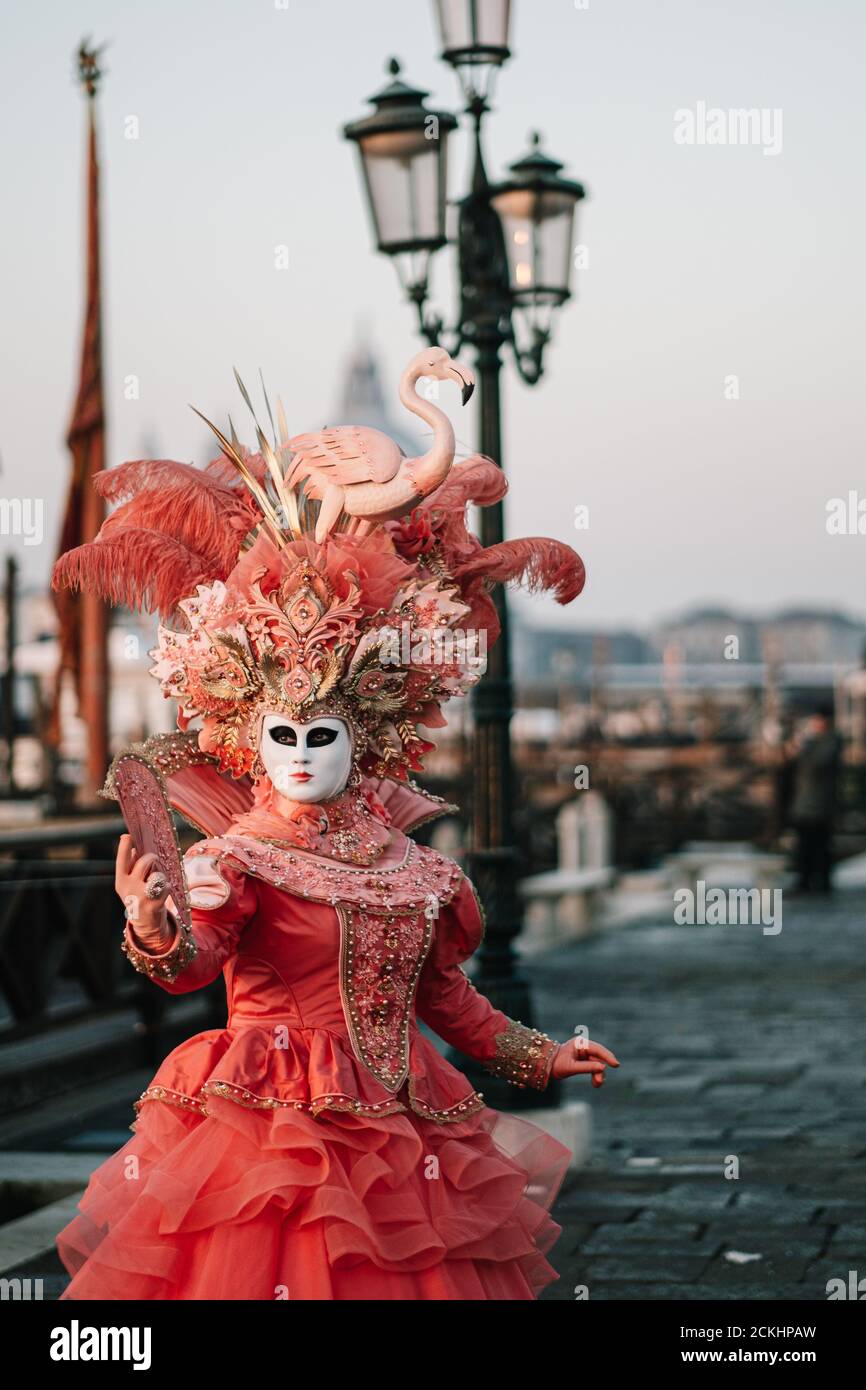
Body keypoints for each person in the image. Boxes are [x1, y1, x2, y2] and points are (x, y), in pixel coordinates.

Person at [50, 358, 618, 1301]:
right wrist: (154, 926)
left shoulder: (412, 868)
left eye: (324, 735)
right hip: (269, 1136)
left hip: (406, 1135)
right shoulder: (236, 858)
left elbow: (444, 998)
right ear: (250, 734)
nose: (303, 752)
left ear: (372, 733)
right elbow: (196, 963)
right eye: (283, 735)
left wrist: (541, 1054)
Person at [787, 705, 842, 894]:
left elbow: (817, 764)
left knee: (820, 846)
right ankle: (805, 880)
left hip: (820, 805)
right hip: (805, 804)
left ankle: (821, 882)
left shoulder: (830, 742)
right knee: (804, 846)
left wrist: (804, 747)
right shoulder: (818, 742)